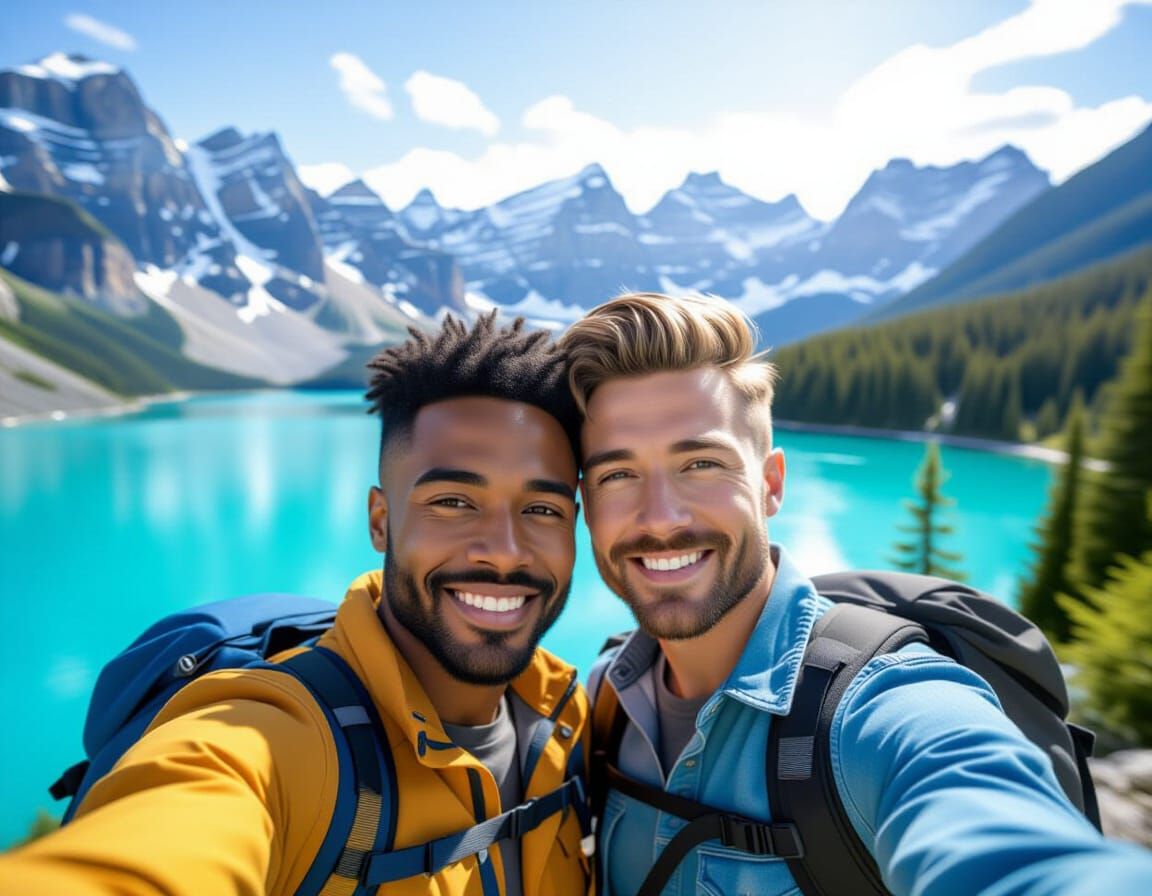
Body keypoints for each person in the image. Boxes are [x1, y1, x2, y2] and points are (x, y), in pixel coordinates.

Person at [559, 292, 1152, 896]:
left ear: (770, 485)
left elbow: (1006, 841)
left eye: (701, 465)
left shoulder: (880, 704)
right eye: (618, 474)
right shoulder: (605, 696)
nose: (660, 518)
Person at [0, 314, 591, 896]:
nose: (504, 552)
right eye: (454, 501)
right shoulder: (275, 735)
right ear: (381, 521)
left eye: (543, 510)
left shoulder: (569, 715)